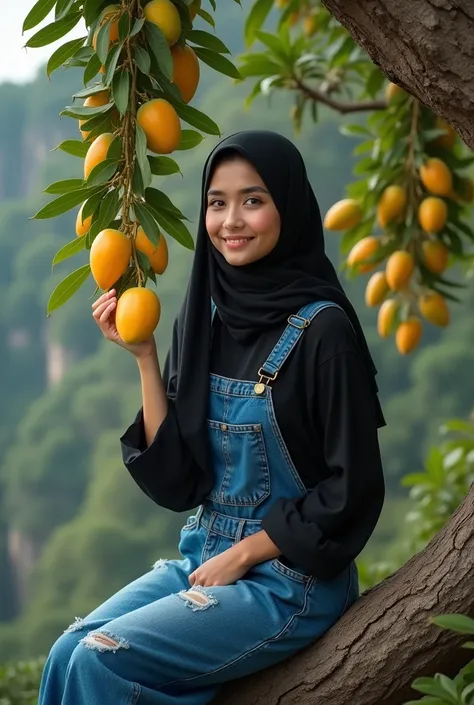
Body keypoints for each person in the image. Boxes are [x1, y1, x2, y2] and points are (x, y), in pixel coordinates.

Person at [39, 130, 385, 705]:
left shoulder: (325, 333)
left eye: (253, 200)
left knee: (99, 663)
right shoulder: (206, 316)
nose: (231, 221)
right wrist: (146, 358)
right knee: (65, 653)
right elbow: (181, 480)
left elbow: (355, 489)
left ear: (288, 207)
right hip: (204, 556)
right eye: (217, 203)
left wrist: (248, 553)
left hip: (289, 581)